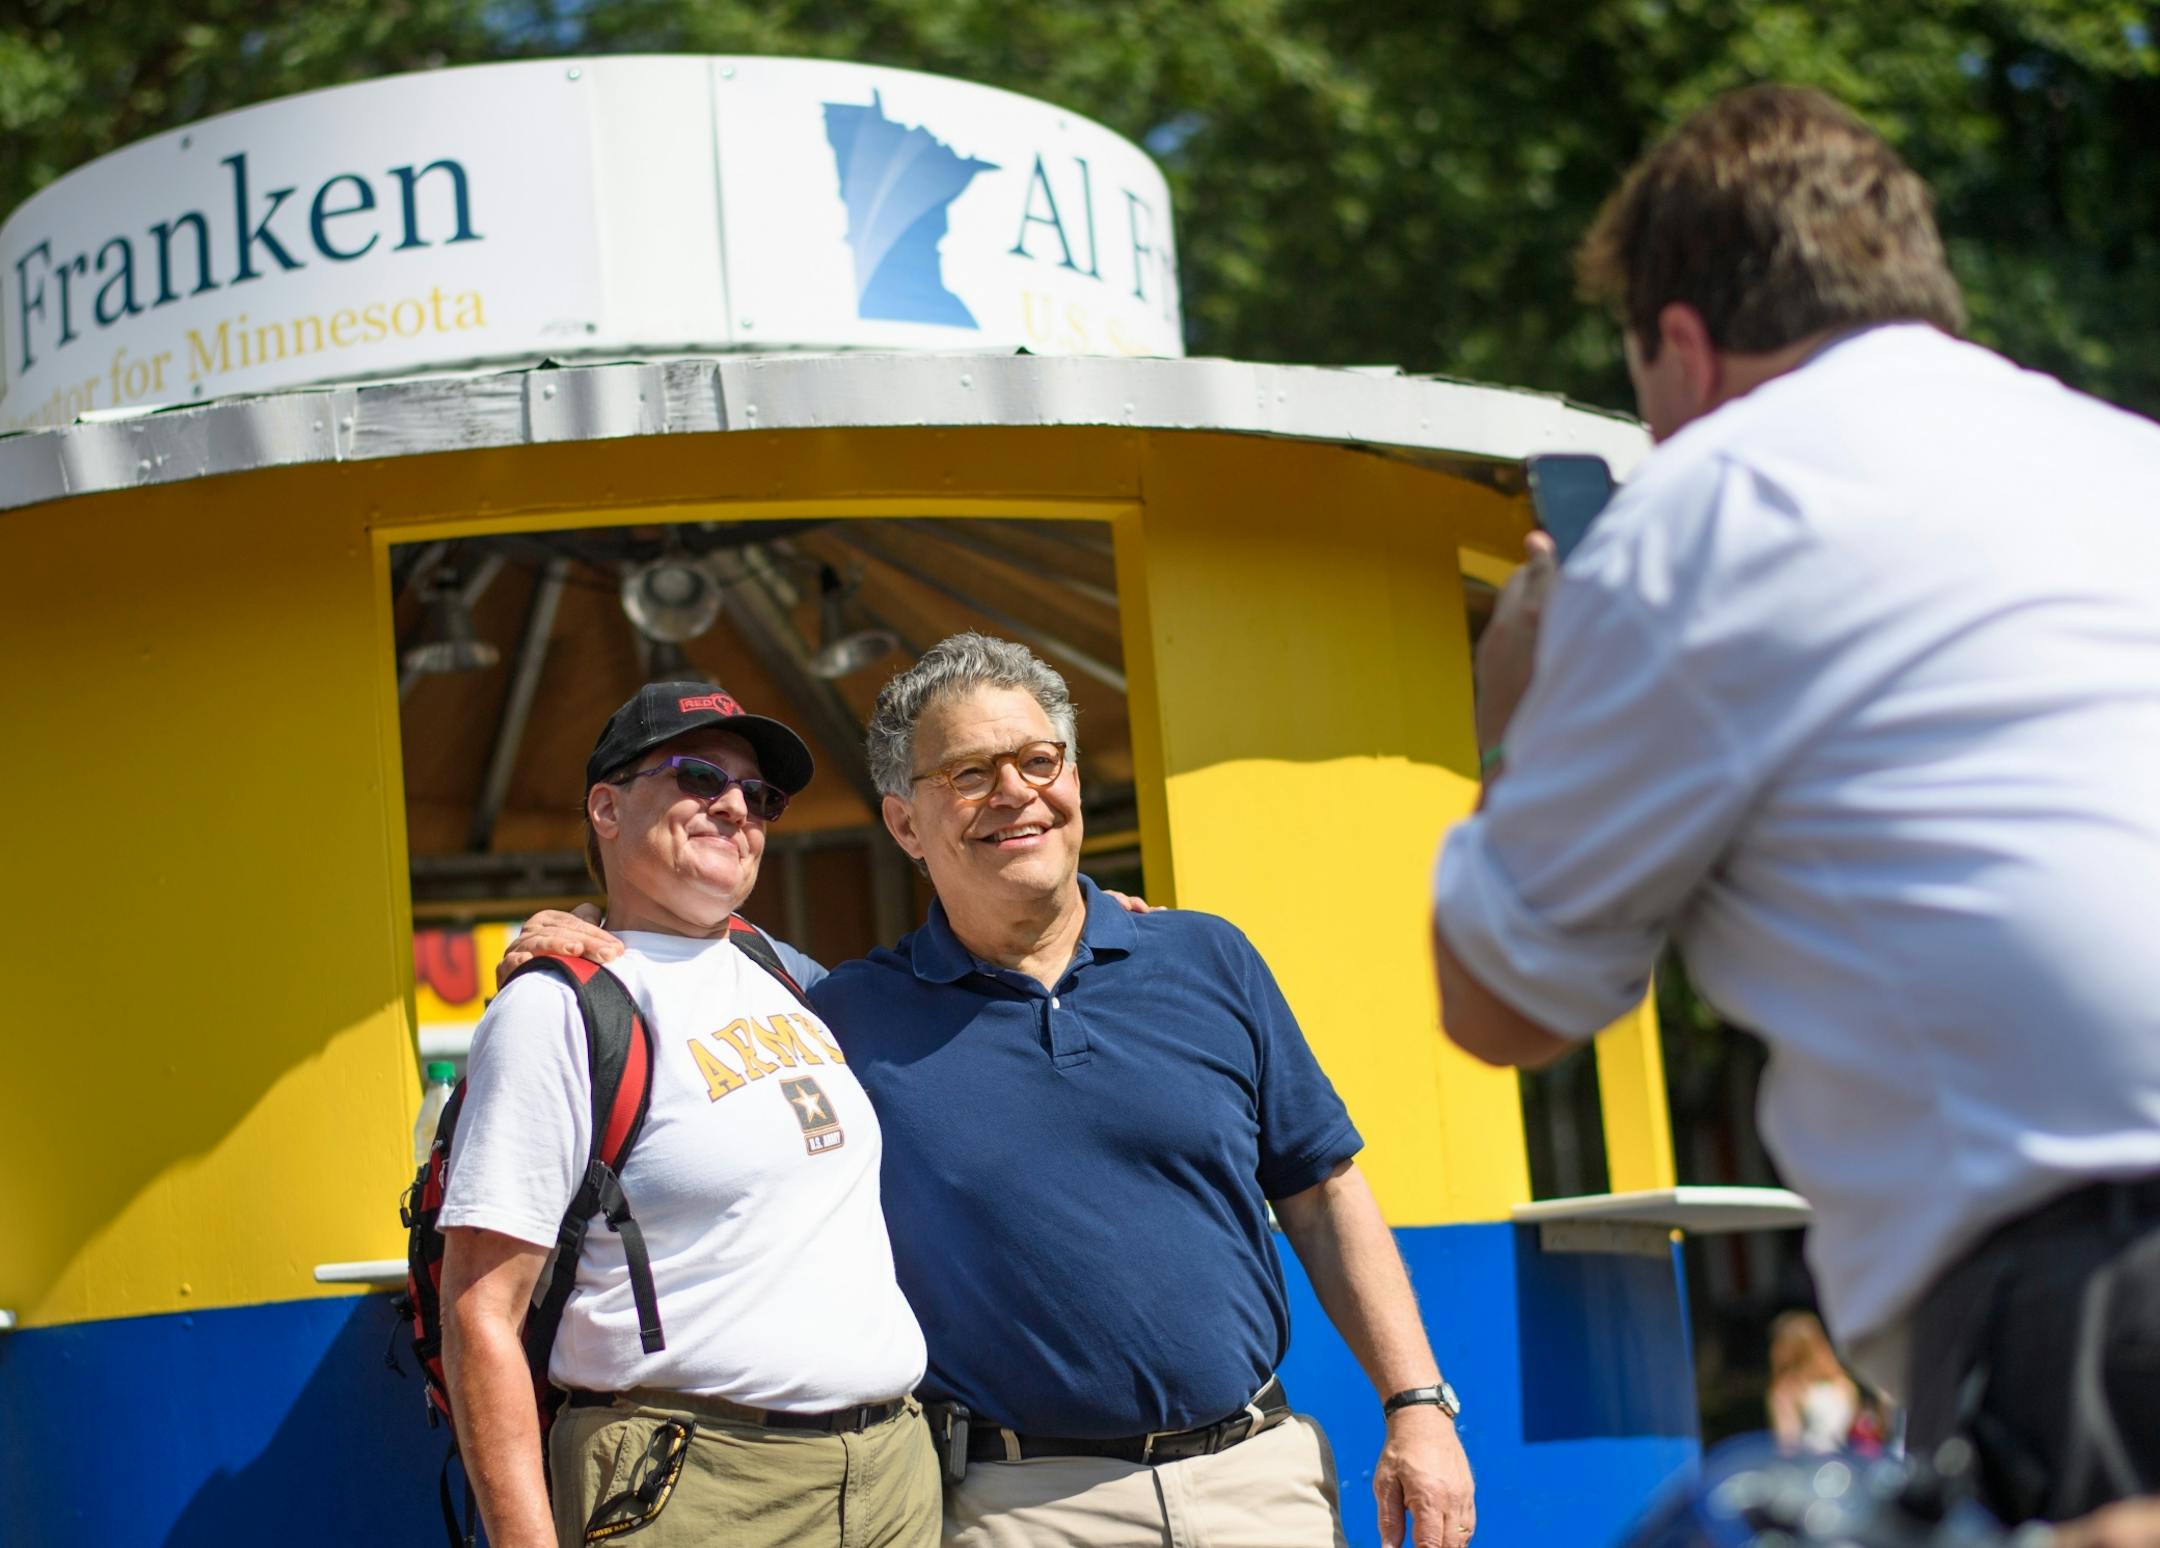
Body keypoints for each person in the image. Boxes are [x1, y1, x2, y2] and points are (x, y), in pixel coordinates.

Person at [1429, 83, 2160, 1524]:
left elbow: (1506, 1003)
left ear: (1684, 347)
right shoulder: (2123, 454)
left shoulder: (1705, 512)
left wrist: (1512, 727)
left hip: (2096, 1295)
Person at [510, 632, 1477, 1548]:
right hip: (1016, 1509)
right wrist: (591, 927)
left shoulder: (1206, 958)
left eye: (1039, 762)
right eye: (969, 775)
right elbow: (696, 965)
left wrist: (1418, 1405)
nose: (1016, 794)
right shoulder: (839, 1016)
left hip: (1258, 1479)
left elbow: (1324, 1192)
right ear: (904, 823)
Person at [439, 683, 937, 1548]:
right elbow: (480, 1313)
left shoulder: (783, 971)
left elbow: (966, 983)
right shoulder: (555, 1008)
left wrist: (1081, 920)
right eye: (700, 775)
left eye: (760, 795)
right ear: (607, 807)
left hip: (892, 1473)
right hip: (695, 1488)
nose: (736, 806)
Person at [1765, 1311, 1862, 1454]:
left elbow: (1787, 1443)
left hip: (1809, 1469)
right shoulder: (1844, 1383)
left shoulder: (1788, 1390)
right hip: (1844, 1466)